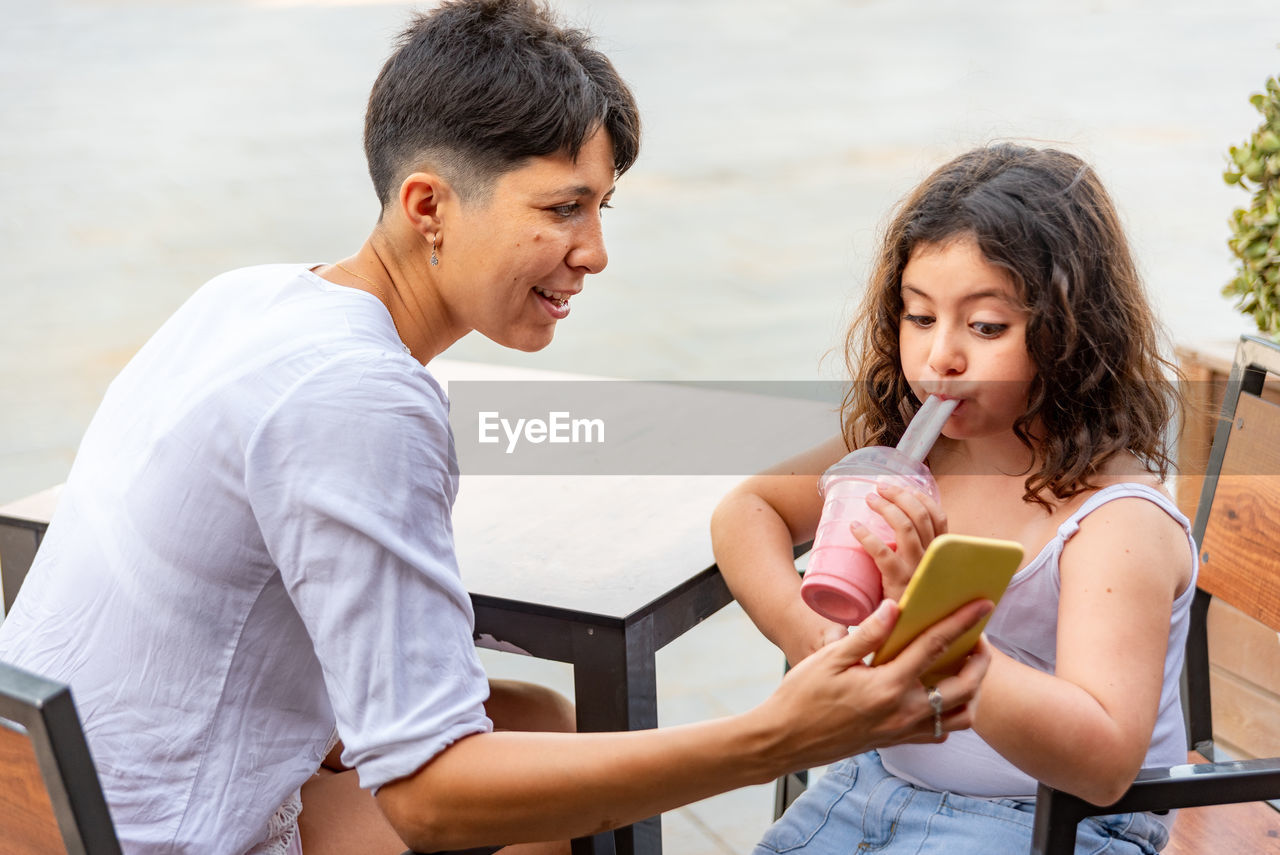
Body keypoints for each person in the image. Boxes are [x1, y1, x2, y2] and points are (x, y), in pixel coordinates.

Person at [0, 3, 995, 854]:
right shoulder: (361, 400)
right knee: (508, 769)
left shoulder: (249, 298)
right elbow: (429, 801)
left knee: (533, 722)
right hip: (155, 832)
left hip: (44, 786)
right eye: (561, 208)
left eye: (602, 208)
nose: (595, 253)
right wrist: (774, 736)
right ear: (427, 204)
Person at [711, 143, 1197, 855]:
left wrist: (930, 609)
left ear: (1072, 333)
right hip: (875, 784)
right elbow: (747, 511)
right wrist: (809, 635)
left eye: (987, 326)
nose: (941, 356)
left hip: (1055, 823)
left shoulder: (1114, 519)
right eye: (918, 317)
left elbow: (1104, 758)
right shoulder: (913, 455)